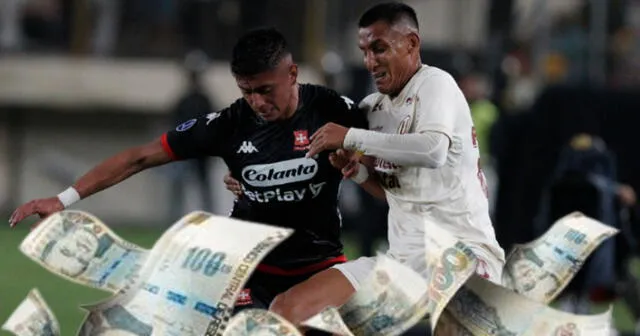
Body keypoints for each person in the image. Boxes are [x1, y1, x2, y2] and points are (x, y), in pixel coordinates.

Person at [9, 27, 367, 318]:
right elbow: (141, 156)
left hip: (320, 265)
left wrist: (362, 166)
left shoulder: (333, 109)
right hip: (249, 271)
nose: (257, 101)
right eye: (247, 91)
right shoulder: (230, 123)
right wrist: (63, 198)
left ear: (292, 74)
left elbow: (394, 149)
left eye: (265, 90)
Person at [250, 2, 506, 327]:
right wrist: (356, 171)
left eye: (379, 48)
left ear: (411, 43)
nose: (370, 61)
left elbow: (433, 150)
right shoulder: (372, 109)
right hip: (401, 264)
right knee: (288, 310)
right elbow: (395, 194)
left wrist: (351, 137)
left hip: (464, 261)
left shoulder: (435, 84)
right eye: (365, 51)